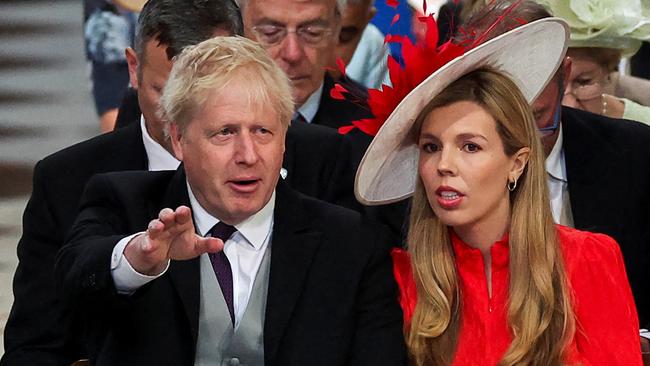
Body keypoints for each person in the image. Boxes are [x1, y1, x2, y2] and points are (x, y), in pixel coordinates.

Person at [55, 36, 406, 365]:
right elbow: (74, 276)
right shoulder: (124, 203)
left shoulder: (352, 244)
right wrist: (137, 260)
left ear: (285, 137)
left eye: (263, 131)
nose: (248, 155)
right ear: (178, 138)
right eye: (225, 132)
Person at [354, 18, 642, 365]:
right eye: (431, 147)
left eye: (470, 147)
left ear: (517, 163)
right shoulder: (400, 277)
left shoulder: (588, 259)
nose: (444, 164)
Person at [1, 1, 242, 364]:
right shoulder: (66, 181)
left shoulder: (313, 162)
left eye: (201, 96)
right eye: (165, 92)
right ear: (133, 68)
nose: (180, 118)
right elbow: (34, 348)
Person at [461, 0, 650, 333]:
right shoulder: (435, 172)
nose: (520, 144)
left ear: (564, 75)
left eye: (536, 117)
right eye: (500, 121)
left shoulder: (634, 155)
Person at [538, 0, 650, 124]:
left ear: (608, 73)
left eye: (584, 82)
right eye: (554, 82)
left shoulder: (644, 128)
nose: (568, 105)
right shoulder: (522, 129)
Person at [333, 0, 390, 89]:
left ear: (366, 19)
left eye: (344, 36)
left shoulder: (372, 43)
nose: (325, 51)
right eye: (312, 33)